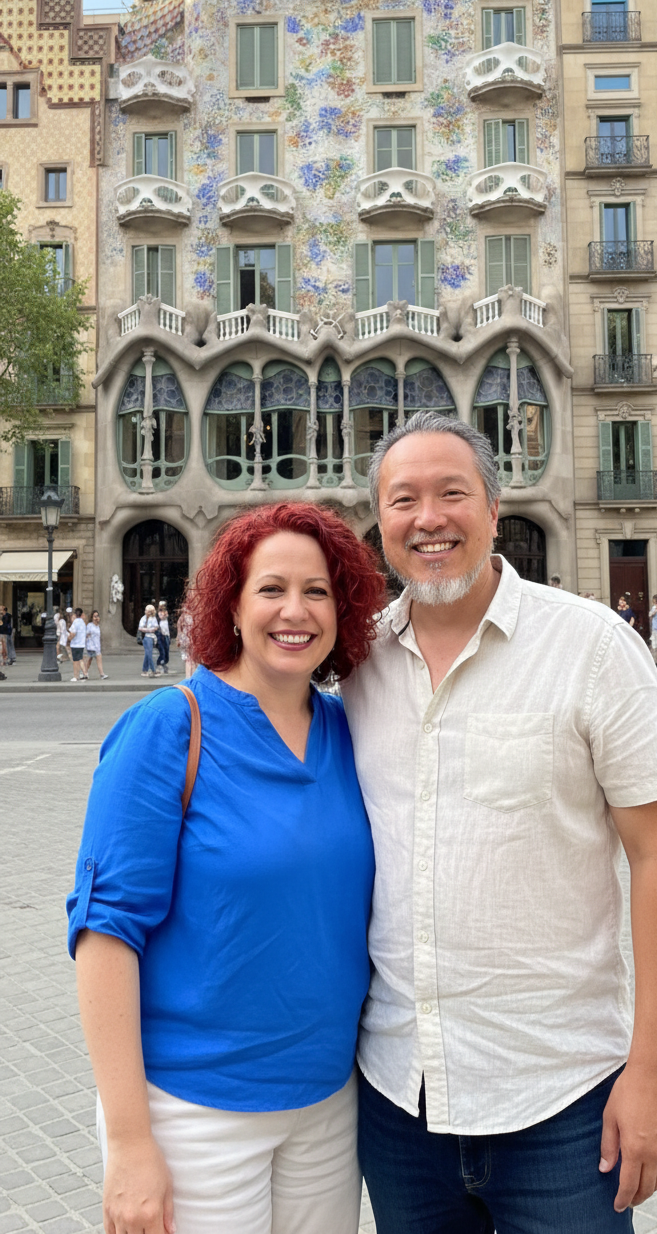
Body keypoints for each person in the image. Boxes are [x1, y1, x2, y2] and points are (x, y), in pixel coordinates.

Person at [341, 411, 657, 1232]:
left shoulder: (592, 648)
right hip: (398, 1100)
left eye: (452, 493)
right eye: (403, 500)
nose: (428, 519)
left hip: (561, 1101)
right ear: (379, 524)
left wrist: (655, 1072)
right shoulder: (355, 667)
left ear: (494, 509)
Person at [68, 503, 385, 1234]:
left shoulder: (348, 729)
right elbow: (104, 934)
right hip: (193, 1114)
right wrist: (129, 1141)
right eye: (271, 588)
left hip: (328, 1107)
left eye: (318, 591)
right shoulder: (170, 726)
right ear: (232, 607)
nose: (295, 611)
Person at [82, 612, 108, 680]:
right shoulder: (90, 625)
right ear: (92, 618)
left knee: (93, 660)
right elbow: (86, 634)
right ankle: (87, 673)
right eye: (95, 616)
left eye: (97, 616)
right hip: (91, 646)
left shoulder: (98, 626)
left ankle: (86, 673)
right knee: (93, 660)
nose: (96, 618)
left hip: (97, 646)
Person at [138, 603, 159, 677]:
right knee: (149, 653)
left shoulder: (153, 618)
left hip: (152, 637)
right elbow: (140, 628)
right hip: (146, 637)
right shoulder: (143, 618)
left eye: (151, 611)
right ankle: (153, 670)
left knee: (147, 654)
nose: (150, 612)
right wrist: (149, 630)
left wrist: (152, 629)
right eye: (148, 611)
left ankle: (144, 670)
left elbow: (156, 627)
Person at [68, 607, 87, 682]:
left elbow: (73, 633)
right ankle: (85, 673)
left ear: (75, 614)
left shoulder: (75, 622)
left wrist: (69, 638)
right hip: (81, 644)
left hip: (75, 644)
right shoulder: (83, 622)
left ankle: (76, 676)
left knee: (75, 661)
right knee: (80, 659)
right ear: (81, 614)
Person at [156, 601, 171, 674]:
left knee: (167, 650)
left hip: (166, 634)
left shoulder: (166, 616)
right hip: (161, 634)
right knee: (162, 651)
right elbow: (161, 617)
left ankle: (165, 662)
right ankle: (160, 663)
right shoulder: (158, 614)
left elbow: (166, 617)